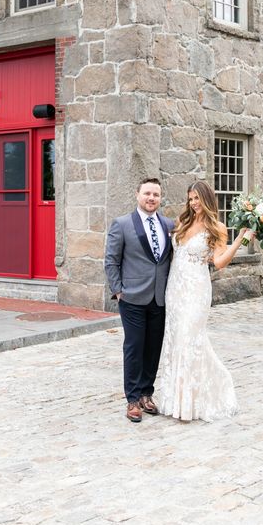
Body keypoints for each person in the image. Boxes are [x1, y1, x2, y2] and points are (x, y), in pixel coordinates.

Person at [157, 180, 255, 422]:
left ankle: (196, 401)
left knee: (191, 340)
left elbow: (220, 262)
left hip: (197, 290)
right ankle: (175, 401)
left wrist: (241, 238)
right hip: (175, 289)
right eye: (190, 199)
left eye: (197, 199)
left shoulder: (217, 228)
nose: (193, 203)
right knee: (176, 340)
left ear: (207, 199)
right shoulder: (182, 222)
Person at [104, 178, 175, 423]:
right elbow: (111, 260)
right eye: (147, 193)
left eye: (156, 194)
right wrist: (118, 290)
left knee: (153, 348)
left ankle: (147, 393)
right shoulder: (122, 224)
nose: (151, 198)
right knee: (134, 348)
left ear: (160, 197)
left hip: (160, 297)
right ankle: (132, 399)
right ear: (137, 195)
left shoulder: (168, 224)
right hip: (132, 298)